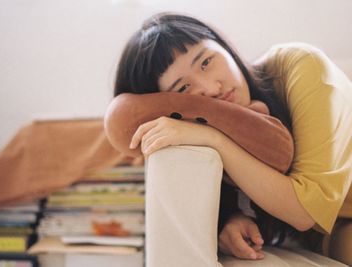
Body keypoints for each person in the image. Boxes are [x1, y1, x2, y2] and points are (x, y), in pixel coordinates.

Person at [112, 12, 352, 265]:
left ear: (224, 47)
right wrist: (228, 219)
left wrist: (214, 139)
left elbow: (305, 212)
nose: (212, 88)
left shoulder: (301, 66)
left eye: (206, 62)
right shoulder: (202, 131)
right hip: (331, 232)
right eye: (183, 89)